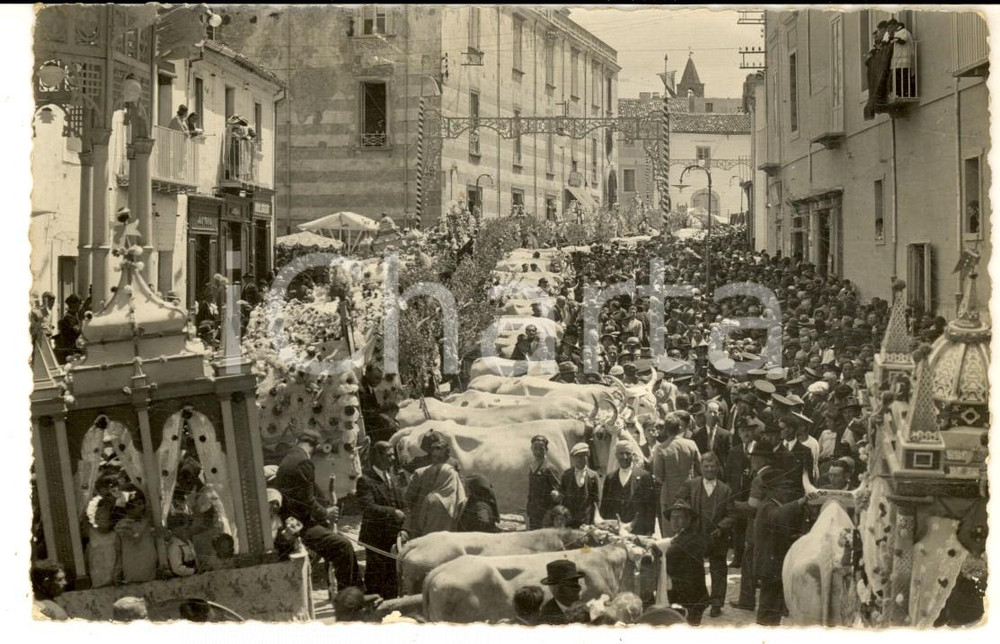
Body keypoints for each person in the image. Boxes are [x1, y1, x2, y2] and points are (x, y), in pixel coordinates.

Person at [273, 428, 361, 592]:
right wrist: (326, 513)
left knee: (334, 542)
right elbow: (307, 502)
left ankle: (340, 592)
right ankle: (352, 597)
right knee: (343, 546)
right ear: (315, 446)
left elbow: (306, 495)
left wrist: (324, 508)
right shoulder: (303, 462)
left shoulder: (290, 458)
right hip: (301, 526)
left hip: (294, 522)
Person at [754, 452, 813, 626]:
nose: (786, 491)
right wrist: (800, 502)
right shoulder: (767, 506)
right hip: (769, 563)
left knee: (774, 602)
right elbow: (778, 516)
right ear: (772, 490)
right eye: (782, 487)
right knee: (768, 602)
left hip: (773, 562)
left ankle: (770, 627)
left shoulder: (774, 504)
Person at [676, 452, 734, 617]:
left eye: (713, 466)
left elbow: (732, 514)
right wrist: (686, 520)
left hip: (717, 537)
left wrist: (721, 527)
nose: (709, 469)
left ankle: (716, 603)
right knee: (694, 570)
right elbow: (678, 501)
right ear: (700, 467)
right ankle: (696, 601)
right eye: (706, 466)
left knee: (718, 570)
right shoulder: (691, 484)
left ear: (718, 468)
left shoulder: (725, 489)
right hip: (696, 534)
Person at [356, 441, 407, 599]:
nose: (393, 458)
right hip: (376, 538)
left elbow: (402, 502)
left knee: (393, 578)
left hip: (393, 537)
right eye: (389, 455)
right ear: (377, 456)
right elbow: (368, 508)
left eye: (393, 455)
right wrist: (393, 512)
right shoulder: (365, 480)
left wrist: (404, 526)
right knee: (376, 579)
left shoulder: (392, 477)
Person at [402, 431, 467, 537]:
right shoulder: (453, 462)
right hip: (449, 510)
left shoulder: (420, 461)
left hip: (422, 512)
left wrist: (404, 450)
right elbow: (461, 484)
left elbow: (405, 466)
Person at [651, 414, 702, 537]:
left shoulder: (661, 448)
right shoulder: (691, 444)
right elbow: (700, 469)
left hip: (669, 494)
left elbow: (658, 477)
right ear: (679, 428)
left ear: (665, 429)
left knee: (669, 534)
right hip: (688, 493)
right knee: (688, 531)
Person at [663, 500, 710, 625]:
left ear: (688, 520)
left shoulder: (687, 539)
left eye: (679, 517)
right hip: (689, 597)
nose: (674, 521)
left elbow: (669, 551)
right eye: (672, 517)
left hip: (689, 599)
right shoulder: (682, 536)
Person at [598, 441, 657, 535]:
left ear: (633, 455)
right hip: (615, 530)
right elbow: (605, 506)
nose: (624, 457)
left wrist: (649, 530)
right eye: (621, 453)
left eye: (628, 453)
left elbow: (650, 506)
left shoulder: (644, 476)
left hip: (638, 529)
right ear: (616, 455)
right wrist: (605, 528)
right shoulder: (610, 478)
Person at [115, 491, 157, 584]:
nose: (142, 507)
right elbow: (135, 537)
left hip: (150, 570)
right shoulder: (123, 525)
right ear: (128, 508)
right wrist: (145, 522)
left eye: (142, 504)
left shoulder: (146, 523)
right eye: (138, 504)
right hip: (134, 569)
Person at [559, 443, 600, 528]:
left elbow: (596, 500)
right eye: (578, 456)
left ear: (587, 456)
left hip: (586, 519)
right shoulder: (566, 475)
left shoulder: (593, 475)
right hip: (569, 518)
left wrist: (593, 519)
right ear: (573, 458)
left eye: (584, 456)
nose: (581, 459)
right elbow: (562, 496)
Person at [526, 435, 562, 530]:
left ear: (546, 450)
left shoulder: (550, 468)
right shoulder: (532, 467)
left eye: (541, 449)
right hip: (534, 512)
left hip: (546, 514)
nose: (538, 452)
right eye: (535, 448)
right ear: (531, 449)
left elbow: (559, 492)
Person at [536, 560, 585, 625]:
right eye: (567, 583)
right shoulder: (547, 617)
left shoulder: (583, 607)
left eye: (575, 580)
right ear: (553, 587)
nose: (577, 587)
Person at [87, 497, 121, 588]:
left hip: (111, 578)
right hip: (96, 577)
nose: (101, 518)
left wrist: (117, 572)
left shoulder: (115, 535)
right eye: (98, 515)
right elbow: (87, 555)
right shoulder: (91, 533)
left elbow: (119, 556)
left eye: (105, 517)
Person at [692, 400, 732, 471]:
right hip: (701, 472)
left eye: (715, 412)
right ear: (705, 413)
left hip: (719, 473)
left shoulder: (726, 435)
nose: (712, 415)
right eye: (710, 412)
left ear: (719, 414)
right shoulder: (696, 434)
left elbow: (729, 457)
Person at [54, 293, 83, 364]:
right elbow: (76, 331)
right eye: (79, 303)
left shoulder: (74, 316)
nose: (80, 306)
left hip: (74, 347)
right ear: (73, 304)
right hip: (70, 350)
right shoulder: (68, 317)